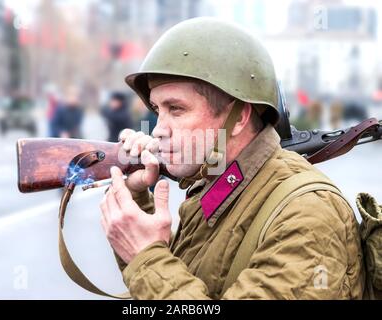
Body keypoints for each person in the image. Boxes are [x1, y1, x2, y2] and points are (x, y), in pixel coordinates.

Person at [99, 18, 365, 299]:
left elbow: (161, 276)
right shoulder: (220, 185)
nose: (158, 130)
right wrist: (137, 203)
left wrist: (146, 259)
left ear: (239, 118)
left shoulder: (308, 215)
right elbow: (185, 280)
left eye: (176, 109)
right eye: (157, 110)